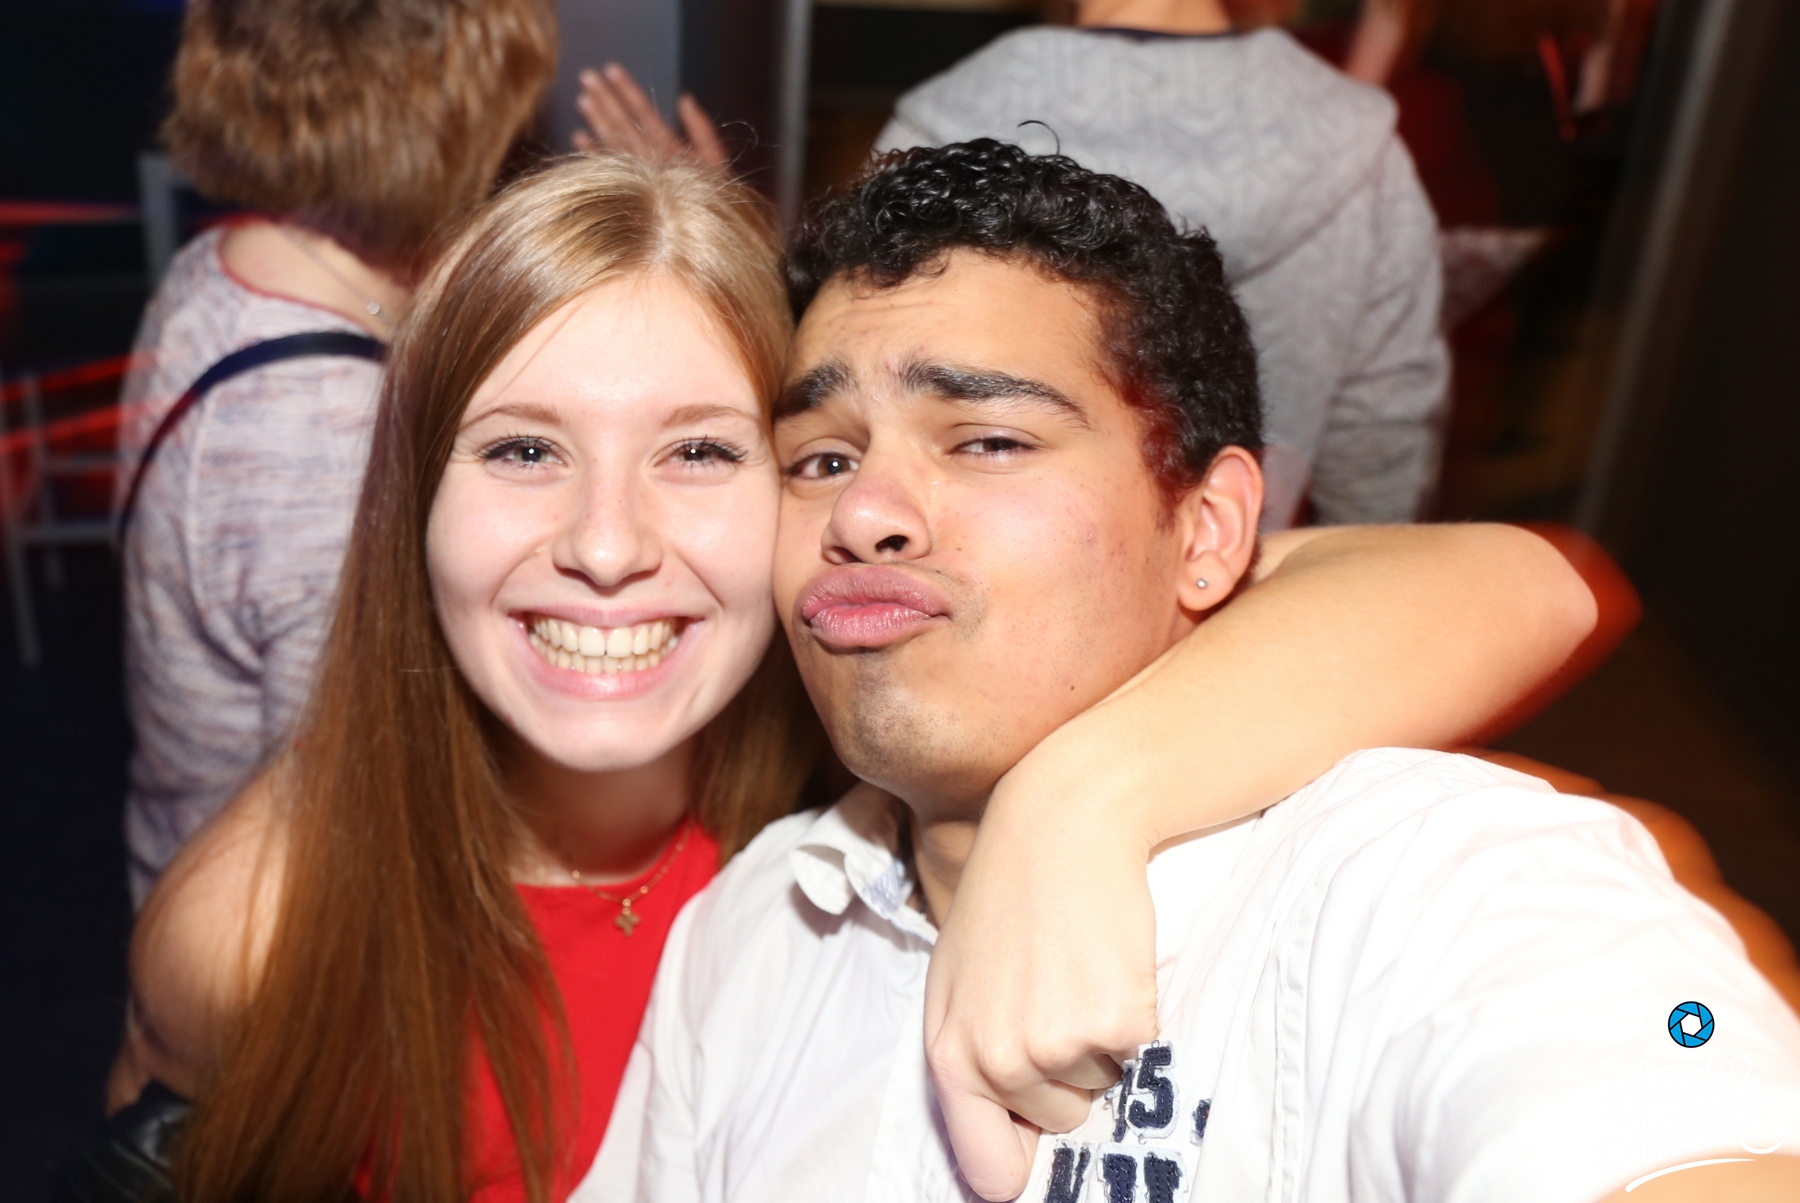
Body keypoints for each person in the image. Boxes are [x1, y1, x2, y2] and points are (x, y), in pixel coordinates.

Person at [114, 152, 1595, 1203]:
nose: (607, 545)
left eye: (703, 451)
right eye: (520, 449)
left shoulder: (877, 700)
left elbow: (1529, 584)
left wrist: (1084, 800)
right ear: (409, 508)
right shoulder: (260, 926)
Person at [614, 141, 1800, 1203]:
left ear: (1210, 531)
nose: (864, 510)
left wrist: (1078, 797)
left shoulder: (1433, 879)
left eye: (989, 441)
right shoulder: (751, 930)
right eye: (820, 459)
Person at [115, 0, 558, 904]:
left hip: (181, 851)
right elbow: (353, 807)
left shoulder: (227, 262)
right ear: (441, 123)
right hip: (269, 928)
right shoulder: (325, 432)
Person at [868, 0, 1448, 529]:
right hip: (1261, 581)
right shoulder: (1363, 150)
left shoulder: (938, 137)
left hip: (992, 583)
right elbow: (1383, 433)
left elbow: (874, 393)